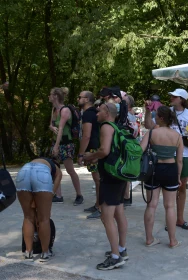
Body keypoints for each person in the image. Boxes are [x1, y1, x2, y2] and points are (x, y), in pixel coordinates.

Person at [145, 88, 188, 230]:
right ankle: (171, 220)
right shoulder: (166, 112)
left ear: (182, 99)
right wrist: (148, 112)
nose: (171, 98)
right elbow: (151, 127)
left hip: (184, 154)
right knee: (168, 191)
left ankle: (179, 219)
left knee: (181, 188)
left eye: (174, 96)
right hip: (166, 156)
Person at [83, 103, 128, 270]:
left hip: (109, 177)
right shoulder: (118, 127)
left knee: (106, 216)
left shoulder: (106, 127)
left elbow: (104, 150)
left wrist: (90, 156)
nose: (96, 114)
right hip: (120, 175)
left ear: (107, 112)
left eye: (99, 110)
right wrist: (97, 157)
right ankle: (122, 250)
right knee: (119, 213)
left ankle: (115, 257)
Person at [141, 106, 183, 248]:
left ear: (161, 118)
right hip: (171, 170)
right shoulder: (177, 136)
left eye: (156, 115)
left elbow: (140, 150)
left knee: (151, 205)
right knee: (170, 206)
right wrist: (178, 176)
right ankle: (172, 240)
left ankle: (149, 239)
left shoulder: (152, 133)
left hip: (154, 170)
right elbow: (180, 160)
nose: (155, 117)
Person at [15, 157, 62, 262]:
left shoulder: (35, 161)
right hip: (42, 175)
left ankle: (28, 252)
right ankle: (45, 253)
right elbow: (58, 177)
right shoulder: (55, 168)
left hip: (23, 171)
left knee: (27, 217)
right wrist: (50, 194)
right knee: (44, 218)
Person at [48, 87, 83, 205]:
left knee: (70, 170)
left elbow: (61, 129)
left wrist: (56, 147)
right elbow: (52, 125)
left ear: (55, 96)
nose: (48, 96)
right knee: (55, 170)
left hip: (66, 144)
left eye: (50, 94)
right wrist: (52, 128)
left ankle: (79, 195)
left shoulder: (65, 110)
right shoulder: (54, 109)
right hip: (56, 142)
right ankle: (58, 195)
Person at [77, 91, 101, 219]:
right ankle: (98, 205)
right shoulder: (94, 112)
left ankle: (101, 207)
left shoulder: (88, 114)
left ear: (87, 99)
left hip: (94, 150)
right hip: (97, 148)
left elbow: (86, 136)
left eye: (80, 97)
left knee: (98, 180)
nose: (78, 99)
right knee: (97, 180)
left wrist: (81, 154)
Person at [122, 94, 139, 206]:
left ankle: (126, 196)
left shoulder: (127, 114)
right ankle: (126, 196)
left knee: (124, 171)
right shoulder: (132, 114)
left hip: (127, 144)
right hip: (132, 144)